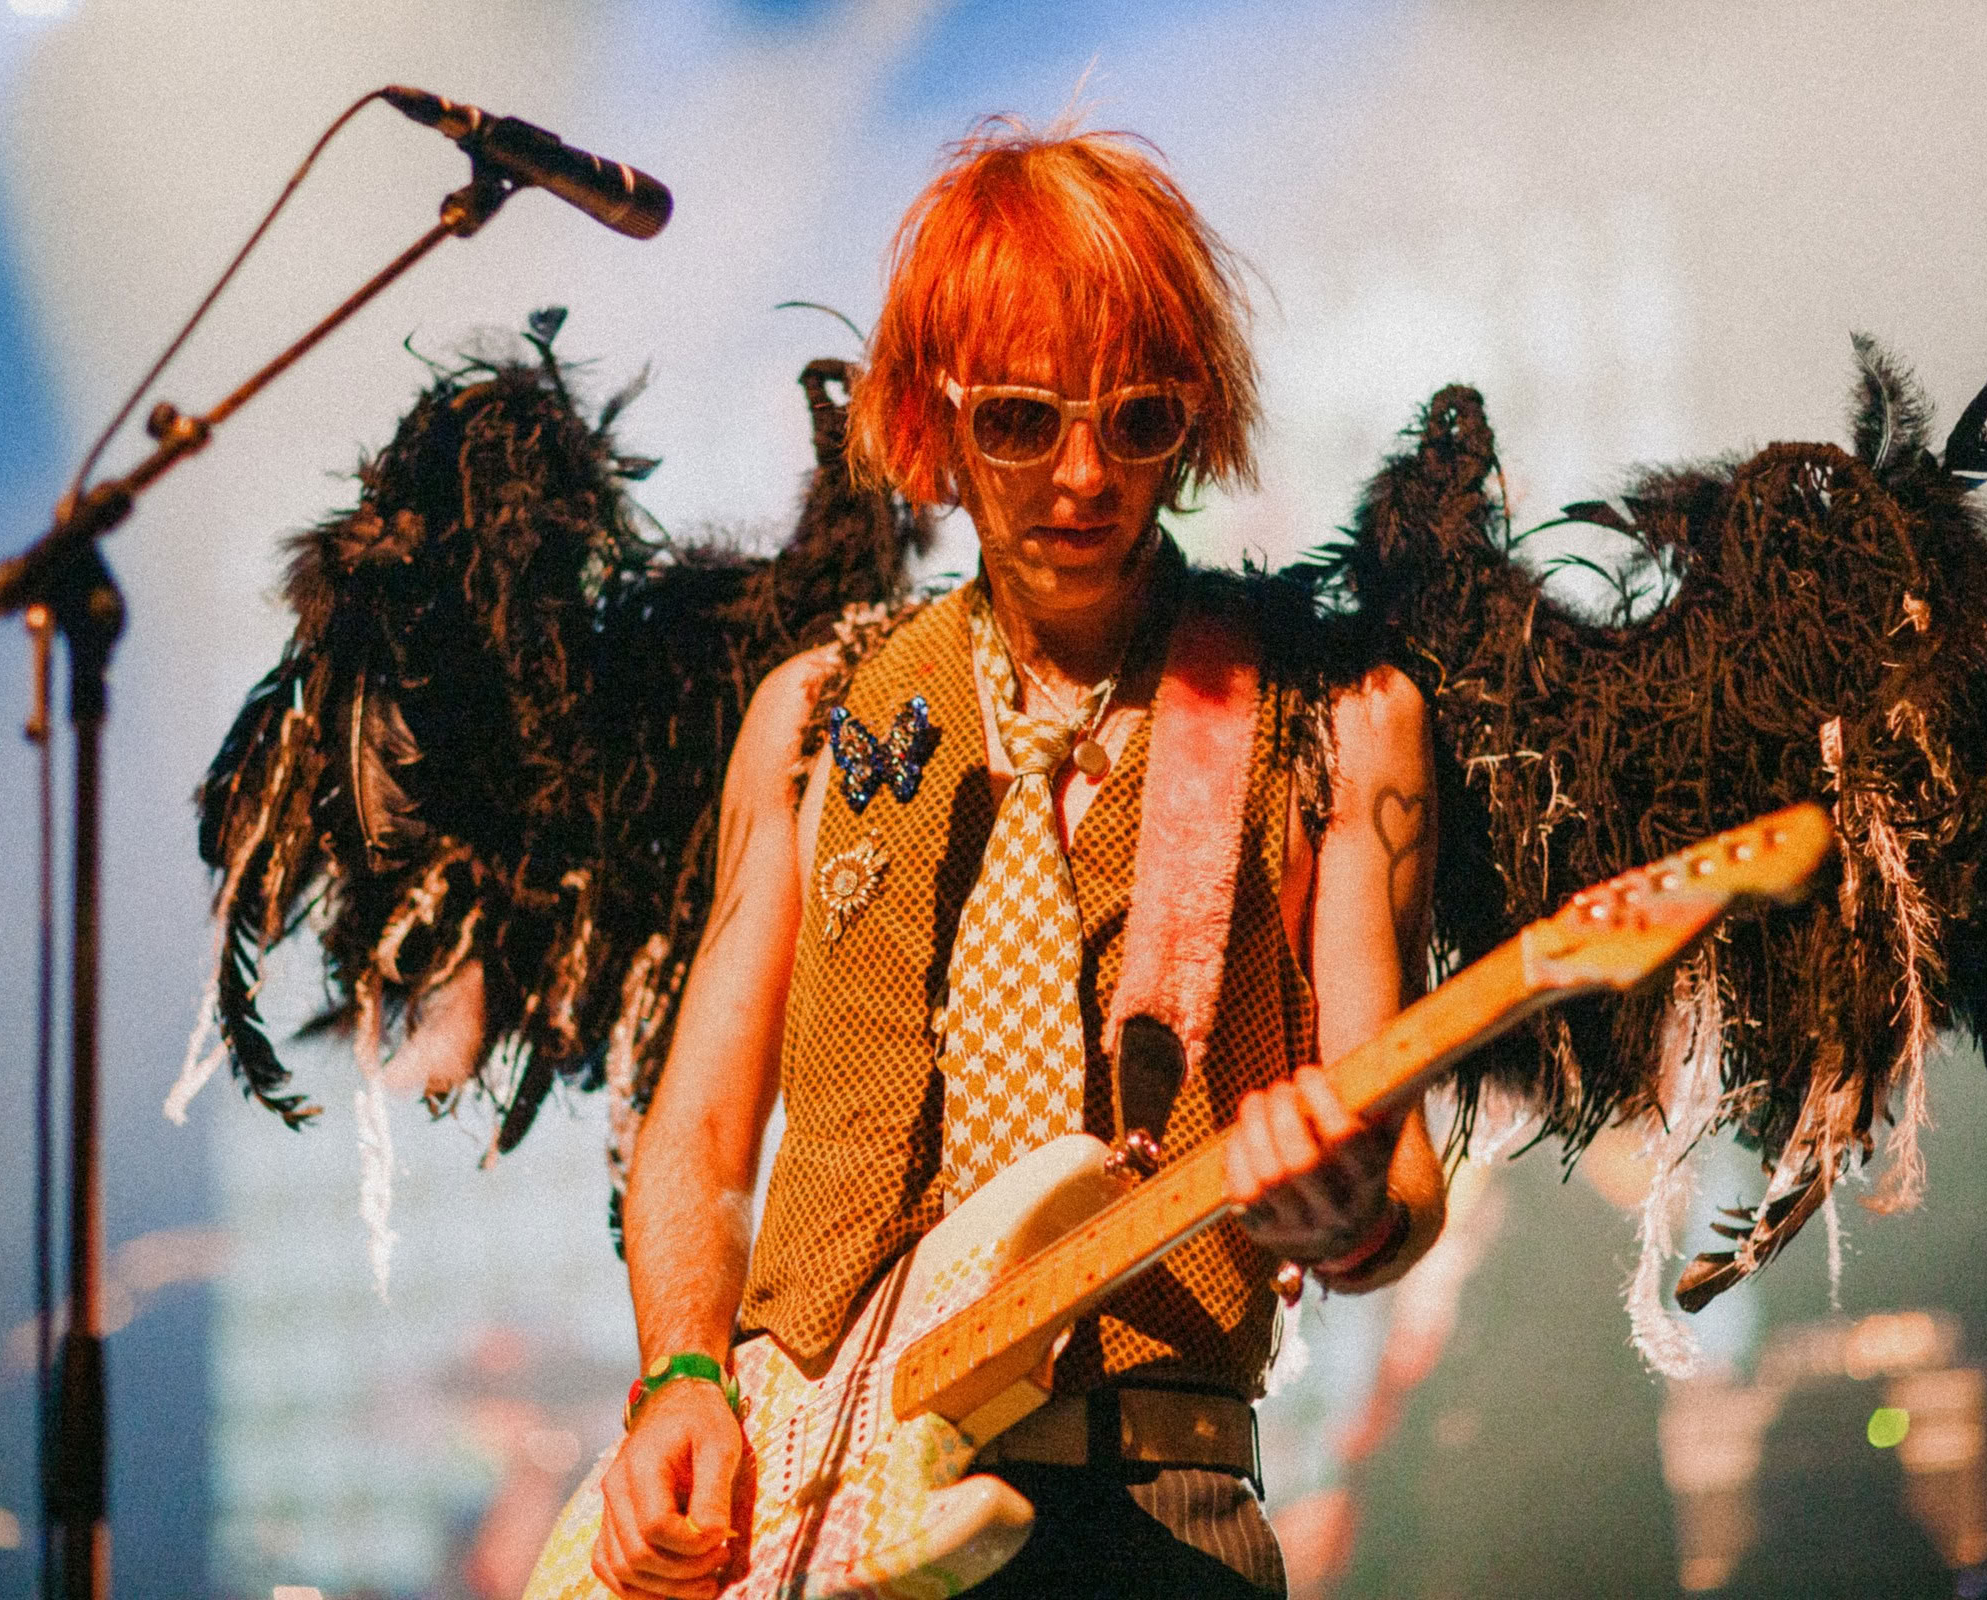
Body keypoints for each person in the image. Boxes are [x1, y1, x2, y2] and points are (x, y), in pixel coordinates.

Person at [591, 118, 1446, 1600]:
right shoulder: (815, 717)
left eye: (1139, 420)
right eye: (1020, 421)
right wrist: (679, 1372)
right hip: (818, 1507)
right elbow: (702, 1136)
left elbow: (1406, 1174)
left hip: (1156, 1506)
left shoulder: (1335, 718)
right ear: (933, 416)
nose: (1082, 476)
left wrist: (1350, 1212)